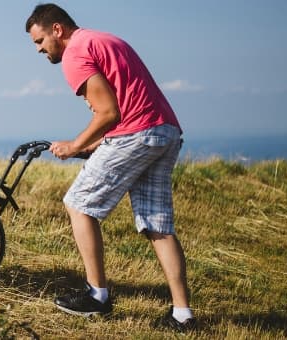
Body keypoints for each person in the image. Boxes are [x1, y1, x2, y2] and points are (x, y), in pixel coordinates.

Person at [24, 3, 196, 331]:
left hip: (137, 133)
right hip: (165, 131)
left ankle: (97, 296)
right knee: (157, 224)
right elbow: (126, 107)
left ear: (57, 30)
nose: (39, 49)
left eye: (39, 41)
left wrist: (74, 145)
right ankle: (182, 315)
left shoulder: (75, 53)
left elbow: (109, 114)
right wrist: (87, 149)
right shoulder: (107, 40)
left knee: (78, 204)